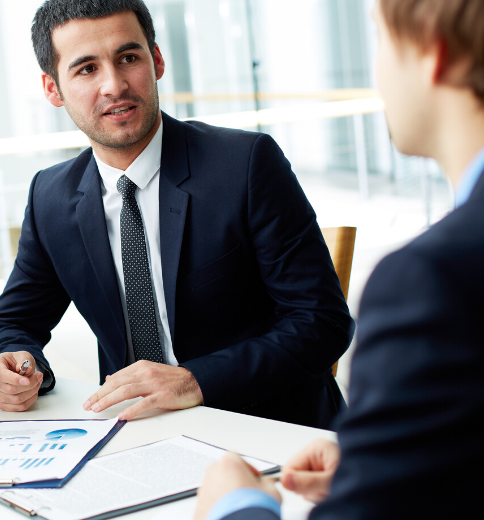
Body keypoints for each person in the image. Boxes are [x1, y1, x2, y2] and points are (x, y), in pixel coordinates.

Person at [0, 0, 354, 429]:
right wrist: (13, 361)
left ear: (156, 60)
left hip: (269, 427)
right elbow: (13, 321)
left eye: (128, 58)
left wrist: (194, 381)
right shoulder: (50, 195)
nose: (114, 85)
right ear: (52, 89)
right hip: (141, 433)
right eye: (86, 69)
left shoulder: (246, 165)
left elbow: (322, 322)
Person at [195, 0, 484, 518]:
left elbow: (319, 319)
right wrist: (384, 456)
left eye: (380, 40)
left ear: (433, 53)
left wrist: (236, 505)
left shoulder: (431, 281)